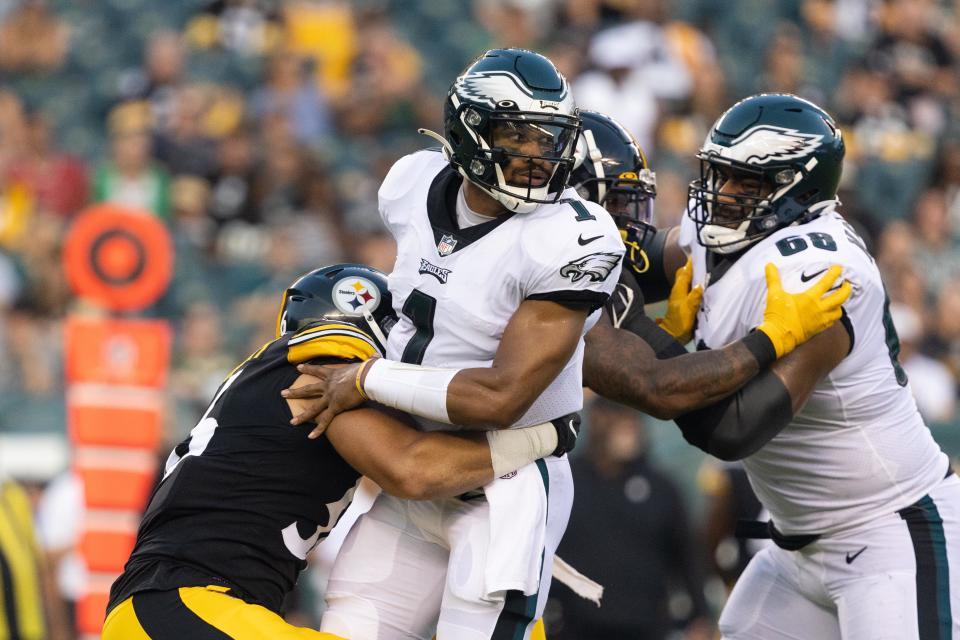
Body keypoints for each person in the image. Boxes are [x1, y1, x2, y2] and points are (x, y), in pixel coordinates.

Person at [285, 51, 849, 640]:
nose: (537, 156)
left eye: (549, 140)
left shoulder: (571, 237)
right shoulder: (411, 181)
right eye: (517, 137)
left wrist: (367, 378)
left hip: (501, 485)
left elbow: (501, 399)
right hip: (413, 469)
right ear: (469, 132)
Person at [634, 92, 960, 639]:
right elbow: (619, 265)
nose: (724, 195)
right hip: (795, 546)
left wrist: (653, 344)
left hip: (890, 534)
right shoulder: (721, 235)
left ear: (797, 189)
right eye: (720, 175)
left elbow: (732, 429)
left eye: (747, 183)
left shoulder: (823, 269)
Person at [102, 264, 574, 640]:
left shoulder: (271, 384)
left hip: (186, 609)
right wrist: (540, 437)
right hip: (182, 605)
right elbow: (411, 470)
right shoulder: (319, 363)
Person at [547, 397, 713, 640]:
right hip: (572, 626)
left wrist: (701, 614)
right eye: (619, 415)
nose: (629, 424)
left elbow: (687, 556)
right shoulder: (565, 480)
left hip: (645, 627)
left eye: (632, 417)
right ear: (596, 420)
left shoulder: (661, 487)